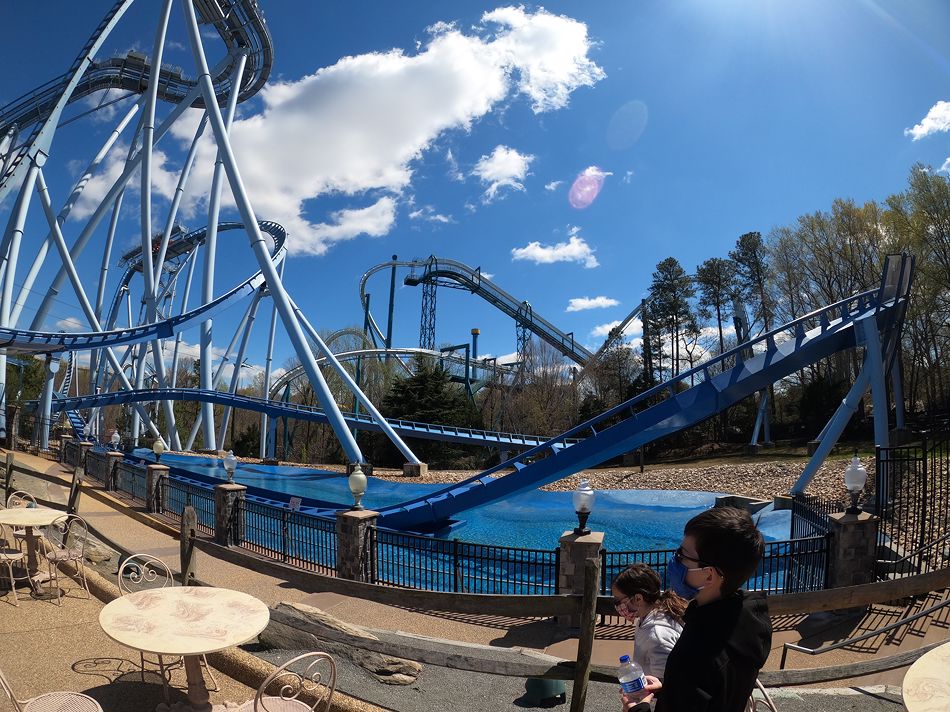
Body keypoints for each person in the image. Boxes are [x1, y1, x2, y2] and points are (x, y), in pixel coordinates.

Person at [623, 507, 772, 712]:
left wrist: (637, 709)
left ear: (709, 575)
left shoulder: (698, 650)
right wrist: (671, 689)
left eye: (683, 555)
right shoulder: (746, 620)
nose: (675, 560)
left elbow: (700, 679)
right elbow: (712, 694)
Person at [611, 563, 686, 681]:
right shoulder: (646, 618)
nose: (617, 605)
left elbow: (666, 682)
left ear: (638, 599)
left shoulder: (657, 635)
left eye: (618, 600)